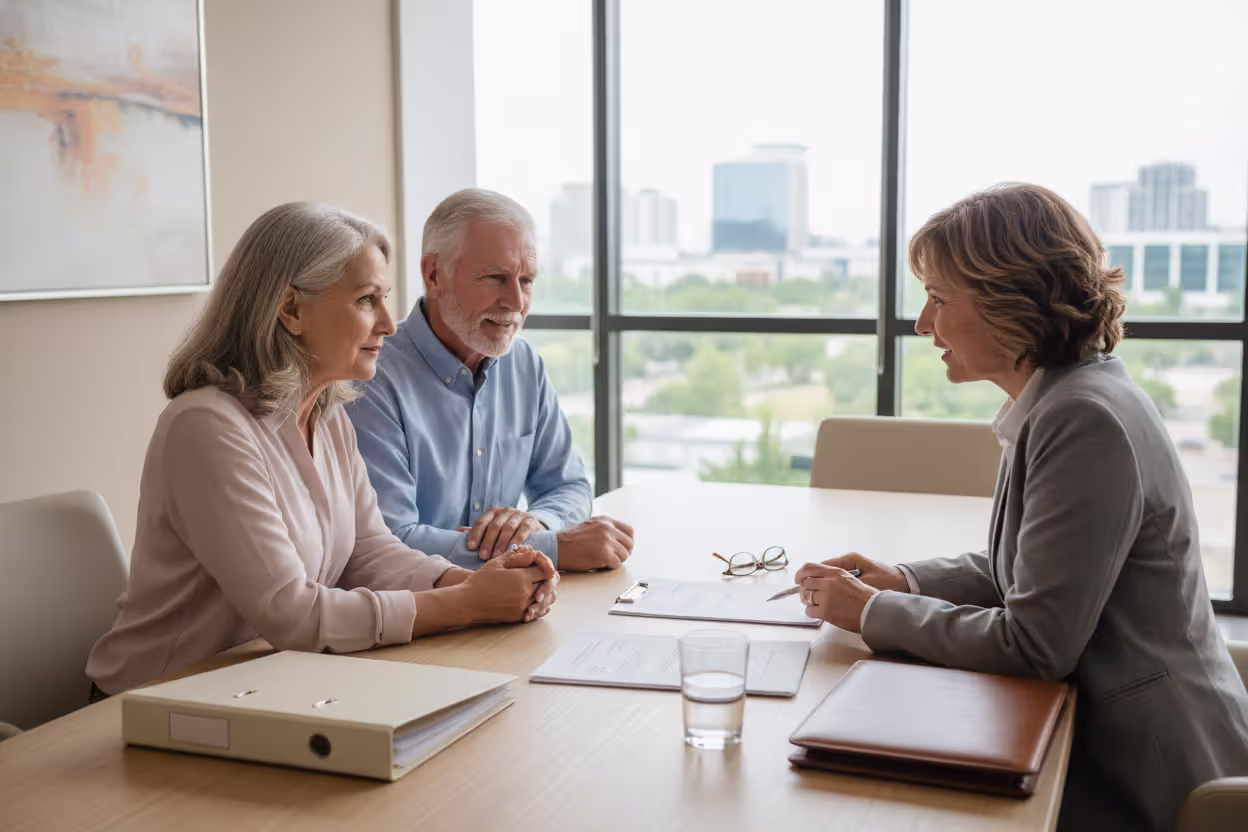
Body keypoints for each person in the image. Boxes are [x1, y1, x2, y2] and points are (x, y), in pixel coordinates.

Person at [793, 184, 1248, 831]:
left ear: (1012, 301)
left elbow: (1035, 645)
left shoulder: (1083, 418)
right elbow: (1032, 569)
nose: (924, 325)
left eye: (939, 300)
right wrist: (905, 580)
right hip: (1100, 735)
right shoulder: (1065, 398)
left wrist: (874, 612)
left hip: (1145, 777)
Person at [87, 203, 557, 696]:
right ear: (291, 309)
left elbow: (370, 554)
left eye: (384, 299)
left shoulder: (327, 415)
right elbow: (292, 612)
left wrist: (468, 582)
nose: (387, 324)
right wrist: (469, 604)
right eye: (365, 300)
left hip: (262, 685)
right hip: (153, 699)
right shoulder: (206, 427)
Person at [346, 188, 634, 571]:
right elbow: (391, 541)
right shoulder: (370, 378)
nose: (516, 302)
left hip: (510, 607)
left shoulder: (525, 365)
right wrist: (553, 547)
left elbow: (568, 486)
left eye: (527, 280)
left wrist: (536, 523)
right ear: (434, 274)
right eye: (496, 277)